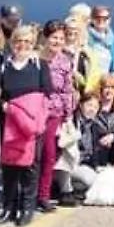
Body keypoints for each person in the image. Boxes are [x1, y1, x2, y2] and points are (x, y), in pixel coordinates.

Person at [0, 25, 52, 227]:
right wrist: (4, 105)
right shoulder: (4, 66)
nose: (23, 45)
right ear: (12, 43)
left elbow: (47, 93)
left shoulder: (40, 65)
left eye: (28, 41)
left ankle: (27, 208)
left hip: (32, 123)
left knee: (31, 165)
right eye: (19, 41)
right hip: (10, 121)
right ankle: (8, 208)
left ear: (33, 44)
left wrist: (37, 118)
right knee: (10, 165)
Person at [37, 21, 75, 213]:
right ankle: (26, 195)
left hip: (55, 115)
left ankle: (43, 195)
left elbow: (68, 90)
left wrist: (68, 116)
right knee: (32, 155)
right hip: (35, 113)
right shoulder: (36, 59)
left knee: (50, 154)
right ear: (45, 37)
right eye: (54, 37)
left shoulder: (65, 61)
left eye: (61, 38)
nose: (58, 41)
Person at [88, 5, 114, 74]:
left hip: (107, 82)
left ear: (110, 20)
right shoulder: (85, 37)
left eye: (105, 18)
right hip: (89, 82)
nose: (101, 20)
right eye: (97, 17)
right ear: (91, 19)